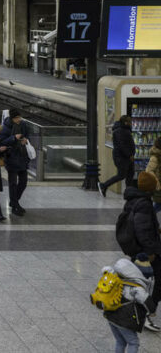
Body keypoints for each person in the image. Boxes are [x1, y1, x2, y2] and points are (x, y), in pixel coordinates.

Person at [120, 171, 161, 331]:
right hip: (145, 252)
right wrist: (151, 252)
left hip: (137, 249)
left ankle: (138, 313)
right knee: (153, 284)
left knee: (139, 282)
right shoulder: (143, 203)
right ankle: (145, 314)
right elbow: (142, 229)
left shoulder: (135, 199)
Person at [100, 255, 156, 352]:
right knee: (133, 343)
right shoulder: (136, 288)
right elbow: (147, 302)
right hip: (123, 320)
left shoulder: (117, 276)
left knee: (120, 341)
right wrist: (152, 310)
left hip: (110, 316)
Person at [0, 108, 31, 216]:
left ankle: (14, 201)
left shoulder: (23, 125)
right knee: (12, 183)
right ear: (12, 118)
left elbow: (28, 134)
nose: (19, 119)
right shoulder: (5, 128)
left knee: (23, 182)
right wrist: (13, 138)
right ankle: (15, 206)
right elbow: (2, 142)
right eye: (17, 118)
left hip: (22, 157)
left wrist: (25, 139)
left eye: (19, 117)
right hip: (11, 158)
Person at [101, 115, 137, 197]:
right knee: (121, 175)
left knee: (130, 174)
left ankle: (129, 193)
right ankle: (104, 185)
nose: (131, 123)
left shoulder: (125, 130)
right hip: (121, 157)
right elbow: (122, 145)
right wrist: (129, 155)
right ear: (125, 122)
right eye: (130, 122)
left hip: (127, 157)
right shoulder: (119, 131)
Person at [145, 137, 161, 212]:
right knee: (158, 205)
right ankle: (147, 218)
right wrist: (156, 183)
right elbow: (149, 170)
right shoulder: (155, 157)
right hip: (159, 186)